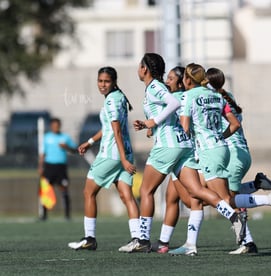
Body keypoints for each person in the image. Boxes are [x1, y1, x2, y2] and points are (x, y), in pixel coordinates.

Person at [130, 53, 248, 254]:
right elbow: (233, 121)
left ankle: (142, 240)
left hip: (173, 147)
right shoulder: (210, 95)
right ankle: (229, 219)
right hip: (193, 147)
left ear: (145, 69)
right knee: (194, 194)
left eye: (172, 79)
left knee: (147, 191)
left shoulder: (159, 88)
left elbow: (175, 108)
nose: (168, 82)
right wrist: (153, 125)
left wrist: (152, 122)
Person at [168, 63, 271, 256]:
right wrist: (219, 137)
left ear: (187, 80)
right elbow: (235, 124)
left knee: (224, 200)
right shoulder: (217, 96)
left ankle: (267, 199)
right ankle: (191, 244)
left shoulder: (189, 96)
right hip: (222, 149)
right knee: (198, 197)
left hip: (208, 152)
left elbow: (185, 128)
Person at [68, 66, 139, 251]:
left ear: (114, 82)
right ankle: (138, 239)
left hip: (112, 155)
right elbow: (109, 127)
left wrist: (122, 159)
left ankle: (89, 238)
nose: (102, 85)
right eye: (100, 81)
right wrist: (90, 141)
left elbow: (116, 130)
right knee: (127, 196)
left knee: (88, 192)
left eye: (106, 81)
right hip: (124, 153)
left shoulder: (111, 101)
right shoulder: (119, 97)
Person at [38, 118, 77, 220]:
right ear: (51, 126)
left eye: (57, 125)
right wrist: (41, 166)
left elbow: (74, 150)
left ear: (60, 126)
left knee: (64, 189)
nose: (56, 127)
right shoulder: (47, 137)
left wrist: (66, 147)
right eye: (54, 126)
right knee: (46, 190)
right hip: (49, 167)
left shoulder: (65, 137)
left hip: (61, 167)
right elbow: (43, 153)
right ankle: (44, 215)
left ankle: (67, 215)